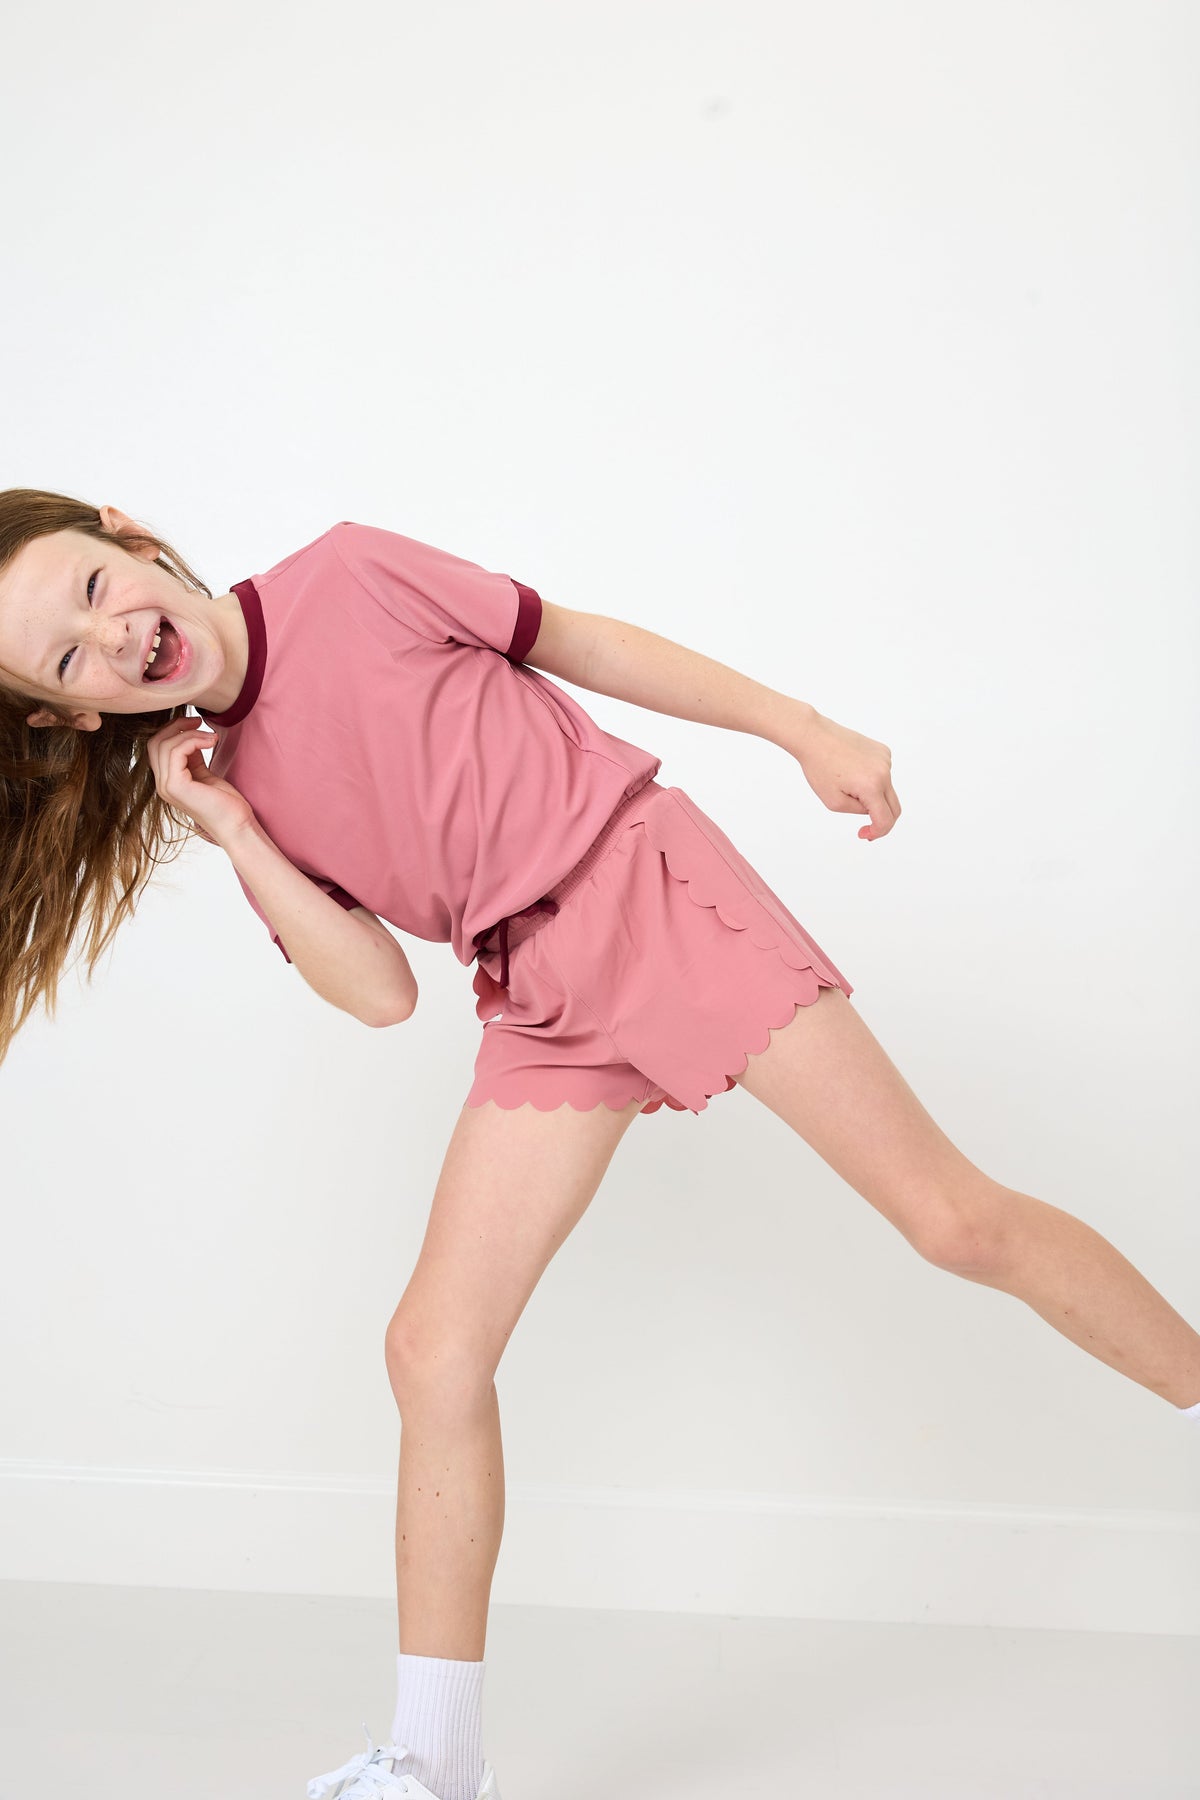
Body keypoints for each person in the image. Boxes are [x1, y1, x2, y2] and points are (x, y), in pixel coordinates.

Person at [1, 489, 1197, 1800]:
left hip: (646, 886)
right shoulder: (231, 784)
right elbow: (381, 993)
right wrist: (230, 826)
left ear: (127, 537)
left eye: (91, 590)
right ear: (71, 718)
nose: (111, 637)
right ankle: (432, 1762)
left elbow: (576, 642)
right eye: (67, 660)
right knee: (429, 1351)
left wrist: (803, 730)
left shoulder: (348, 573)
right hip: (533, 989)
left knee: (951, 1221)